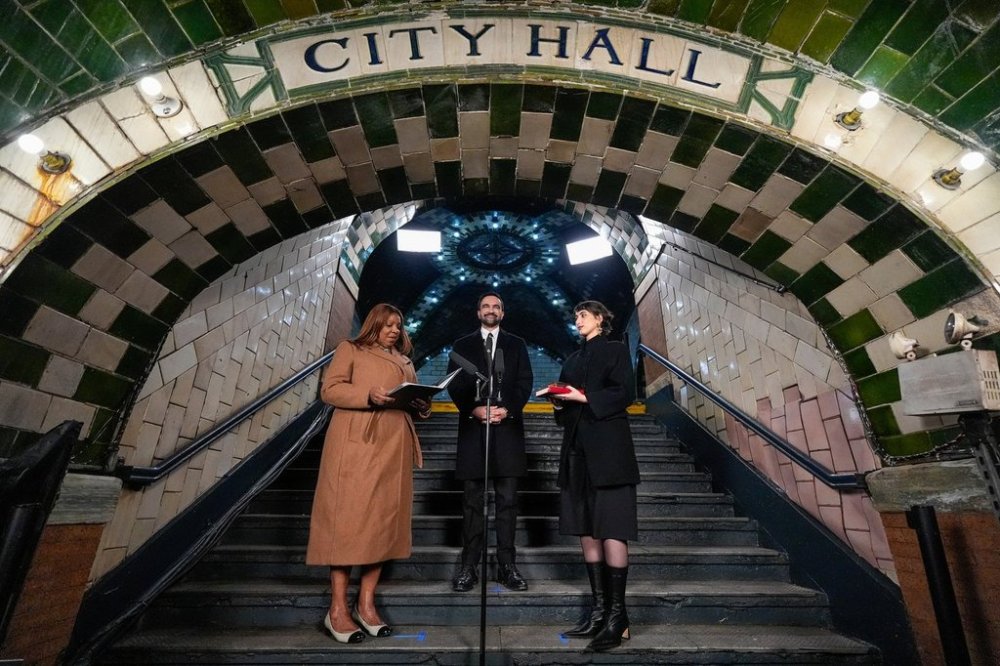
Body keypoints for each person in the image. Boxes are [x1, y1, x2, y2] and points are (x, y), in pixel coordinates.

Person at [306, 303, 431, 644]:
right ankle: (336, 610)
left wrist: (421, 404)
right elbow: (330, 389)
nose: (394, 330)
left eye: (398, 325)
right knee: (348, 523)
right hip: (357, 444)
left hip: (394, 447)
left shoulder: (404, 361)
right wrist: (367, 394)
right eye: (387, 324)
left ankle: (366, 604)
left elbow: (411, 398)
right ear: (374, 324)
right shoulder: (351, 349)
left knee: (382, 523)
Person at [547, 300, 640, 652]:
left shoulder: (615, 349)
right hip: (576, 452)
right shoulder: (571, 360)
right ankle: (600, 612)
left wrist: (583, 396)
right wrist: (560, 402)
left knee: (612, 527)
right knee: (586, 529)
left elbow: (625, 393)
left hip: (610, 453)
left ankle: (618, 617)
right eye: (575, 316)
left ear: (600, 318)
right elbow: (565, 414)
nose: (577, 320)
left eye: (583, 315)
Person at [446, 292, 534, 592]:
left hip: (507, 431)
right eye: (486, 306)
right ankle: (468, 567)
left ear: (503, 313)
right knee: (472, 502)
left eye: (496, 306)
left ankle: (508, 567)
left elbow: (524, 382)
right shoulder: (462, 345)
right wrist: (473, 409)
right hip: (474, 432)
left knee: (508, 502)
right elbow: (454, 383)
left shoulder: (517, 344)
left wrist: (507, 409)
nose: (491, 310)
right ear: (478, 312)